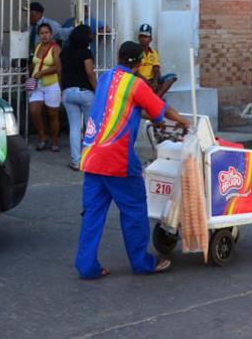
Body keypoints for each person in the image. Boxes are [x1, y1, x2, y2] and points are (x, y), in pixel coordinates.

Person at [75, 41, 190, 280]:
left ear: (118, 56)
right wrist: (182, 121)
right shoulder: (135, 84)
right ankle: (142, 262)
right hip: (117, 160)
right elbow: (161, 108)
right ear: (139, 64)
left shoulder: (105, 78)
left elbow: (131, 108)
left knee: (92, 215)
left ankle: (86, 266)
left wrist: (153, 117)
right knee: (134, 211)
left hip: (92, 157)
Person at [60, 24, 96, 170]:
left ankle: (76, 161)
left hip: (68, 92)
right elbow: (90, 73)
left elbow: (60, 72)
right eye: (90, 34)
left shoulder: (64, 52)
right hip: (85, 92)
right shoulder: (86, 52)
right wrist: (98, 90)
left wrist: (62, 89)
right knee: (90, 127)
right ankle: (91, 161)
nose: (92, 36)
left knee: (74, 128)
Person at [28, 22, 62, 152]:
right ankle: (42, 138)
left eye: (46, 33)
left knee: (52, 114)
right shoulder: (37, 47)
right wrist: (29, 75)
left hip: (52, 84)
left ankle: (55, 141)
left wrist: (42, 73)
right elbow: (33, 63)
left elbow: (58, 67)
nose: (44, 35)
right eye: (41, 33)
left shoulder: (56, 48)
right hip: (37, 85)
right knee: (34, 111)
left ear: (51, 34)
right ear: (38, 35)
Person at [136, 24, 177, 99]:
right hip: (139, 80)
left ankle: (155, 99)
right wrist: (148, 83)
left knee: (172, 77)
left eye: (146, 37)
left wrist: (155, 82)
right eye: (141, 36)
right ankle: (154, 100)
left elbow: (156, 69)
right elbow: (134, 72)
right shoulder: (135, 51)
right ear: (138, 38)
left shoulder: (153, 53)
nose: (143, 39)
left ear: (150, 39)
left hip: (151, 79)